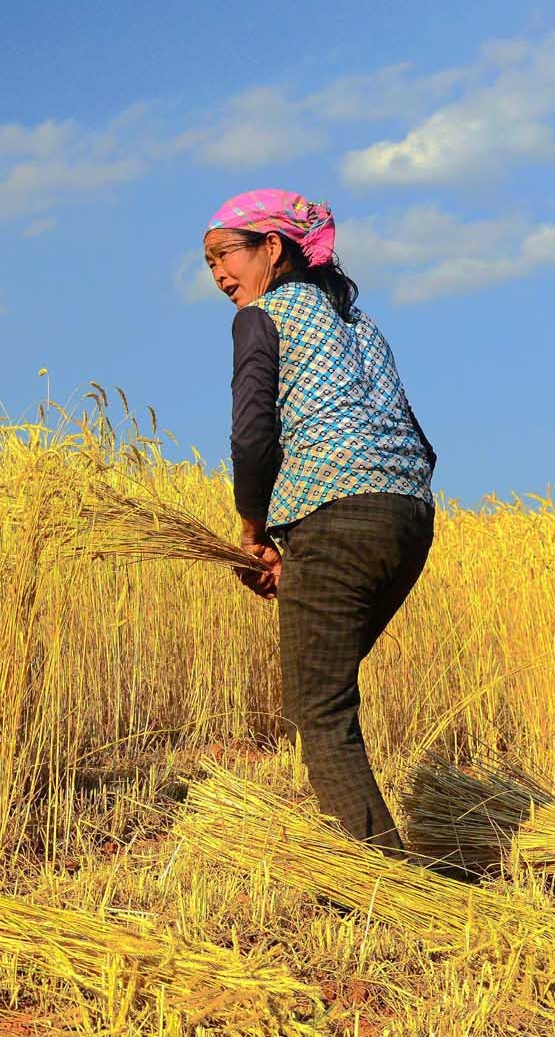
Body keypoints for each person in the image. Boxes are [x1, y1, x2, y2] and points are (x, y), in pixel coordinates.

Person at [202, 190, 436, 857]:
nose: (219, 275)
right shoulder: (359, 322)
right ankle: (370, 854)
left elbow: (252, 439)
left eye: (226, 255)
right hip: (408, 516)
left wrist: (254, 528)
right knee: (326, 688)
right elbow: (409, 429)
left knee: (320, 709)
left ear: (271, 249)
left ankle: (386, 883)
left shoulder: (261, 316)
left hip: (336, 519)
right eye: (209, 263)